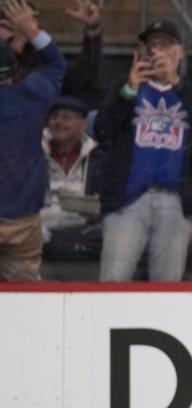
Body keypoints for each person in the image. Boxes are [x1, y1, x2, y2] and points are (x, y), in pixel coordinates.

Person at [94, 21, 192, 282]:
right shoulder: (125, 85)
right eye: (152, 45)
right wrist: (129, 89)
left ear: (180, 52)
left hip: (176, 200)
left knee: (168, 288)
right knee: (113, 282)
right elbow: (103, 129)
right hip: (127, 201)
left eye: (165, 44)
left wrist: (175, 83)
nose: (158, 51)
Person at [0, 0, 65, 282]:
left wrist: (15, 43)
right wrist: (29, 30)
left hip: (21, 214)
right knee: (25, 304)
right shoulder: (32, 94)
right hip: (22, 217)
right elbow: (57, 63)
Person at [40, 96, 104, 280]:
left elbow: (108, 201)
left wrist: (98, 209)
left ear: (83, 124)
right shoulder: (32, 153)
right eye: (54, 117)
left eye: (67, 117)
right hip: (40, 228)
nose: (59, 122)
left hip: (84, 230)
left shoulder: (99, 157)